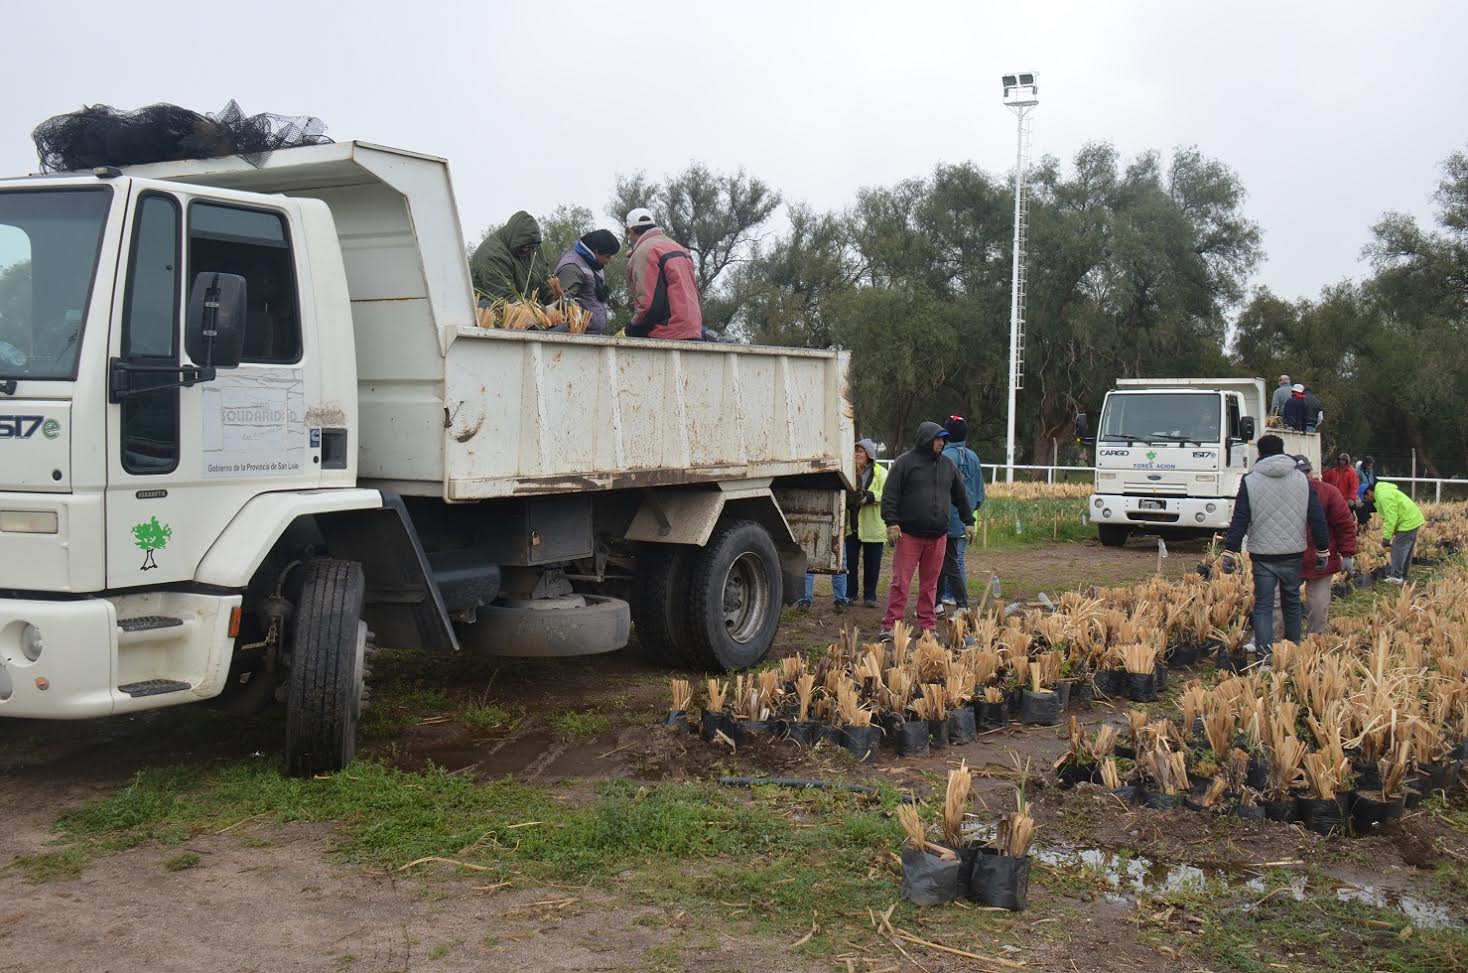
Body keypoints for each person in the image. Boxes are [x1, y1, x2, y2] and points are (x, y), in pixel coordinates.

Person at [1221, 434, 1330, 663]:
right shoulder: (1302, 479)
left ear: (1259, 453)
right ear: (1283, 451)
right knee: (1291, 601)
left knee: (1263, 604)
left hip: (1262, 554)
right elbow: (1316, 516)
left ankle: (1264, 657)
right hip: (1293, 552)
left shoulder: (1250, 480)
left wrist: (1229, 551)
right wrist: (1322, 549)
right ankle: (1290, 653)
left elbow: (1240, 518)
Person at [880, 422, 975, 638]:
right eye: (938, 439)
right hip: (909, 536)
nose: (941, 443)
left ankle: (927, 626)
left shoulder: (948, 466)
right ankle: (890, 626)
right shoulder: (905, 463)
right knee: (900, 583)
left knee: (930, 585)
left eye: (943, 439)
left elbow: (961, 496)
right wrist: (891, 522)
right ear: (926, 439)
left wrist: (968, 521)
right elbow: (890, 494)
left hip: (938, 536)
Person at [1279, 456, 1357, 635]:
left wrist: (1347, 555)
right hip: (1290, 560)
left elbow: (1344, 525)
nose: (1305, 476)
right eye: (1300, 473)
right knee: (1279, 602)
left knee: (1319, 605)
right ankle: (1278, 644)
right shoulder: (1281, 494)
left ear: (1312, 472)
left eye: (1307, 471)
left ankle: (1315, 642)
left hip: (1320, 560)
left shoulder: (1329, 493)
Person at [623, 208, 703, 340]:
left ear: (630, 231)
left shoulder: (644, 252)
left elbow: (648, 304)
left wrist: (632, 328)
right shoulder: (679, 248)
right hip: (693, 330)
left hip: (666, 334)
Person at [936, 416, 984, 615]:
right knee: (957, 559)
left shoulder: (943, 456)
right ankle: (950, 598)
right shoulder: (973, 457)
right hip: (968, 519)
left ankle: (950, 600)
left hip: (946, 519)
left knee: (945, 561)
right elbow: (980, 492)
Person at [471, 211, 552, 301]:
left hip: (529, 308)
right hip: (493, 311)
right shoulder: (492, 256)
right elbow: (506, 299)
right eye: (524, 246)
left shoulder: (533, 245)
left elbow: (545, 281)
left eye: (531, 247)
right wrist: (544, 310)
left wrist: (557, 301)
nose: (527, 250)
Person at [553, 230, 621, 335]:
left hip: (591, 335)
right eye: (608, 256)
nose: (609, 260)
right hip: (576, 338)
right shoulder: (572, 268)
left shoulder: (594, 265)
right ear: (596, 251)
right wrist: (585, 321)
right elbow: (560, 304)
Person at [1364, 480, 1425, 584]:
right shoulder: (1382, 493)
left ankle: (1396, 577)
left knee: (1398, 549)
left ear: (1369, 492)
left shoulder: (1383, 496)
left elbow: (1390, 518)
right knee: (1406, 550)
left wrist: (1386, 538)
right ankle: (1403, 575)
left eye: (1366, 497)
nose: (1367, 500)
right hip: (1412, 519)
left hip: (1407, 522)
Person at [1322, 452, 1359, 517]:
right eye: (1340, 460)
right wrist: (1324, 468)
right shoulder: (1334, 471)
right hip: (1334, 499)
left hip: (1345, 500)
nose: (1341, 462)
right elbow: (1325, 479)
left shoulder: (1351, 472)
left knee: (1345, 517)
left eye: (1344, 460)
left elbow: (1354, 486)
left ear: (1347, 461)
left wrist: (1351, 498)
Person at [1355, 456, 1378, 534]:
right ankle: (1363, 527)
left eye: (1371, 465)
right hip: (1361, 495)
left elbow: (1376, 482)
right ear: (1365, 464)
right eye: (1369, 465)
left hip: (1370, 495)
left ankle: (1366, 525)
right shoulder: (1357, 473)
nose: (1370, 466)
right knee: (1362, 506)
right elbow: (1356, 485)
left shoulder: (1371, 472)